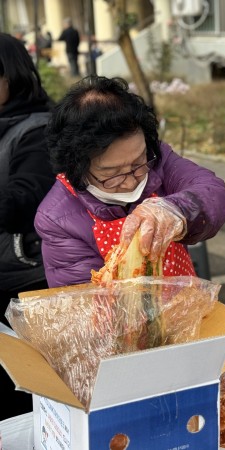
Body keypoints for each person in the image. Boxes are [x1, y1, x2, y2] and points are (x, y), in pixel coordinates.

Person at [34, 76, 225, 287]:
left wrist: (176, 211)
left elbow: (212, 191)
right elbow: (83, 301)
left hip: (183, 306)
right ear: (77, 167)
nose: (130, 183)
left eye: (138, 164)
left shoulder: (159, 159)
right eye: (113, 173)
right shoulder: (56, 218)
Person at [0, 32, 54, 421]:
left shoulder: (38, 129)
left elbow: (25, 199)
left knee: (24, 388)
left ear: (13, 77)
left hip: (25, 281)